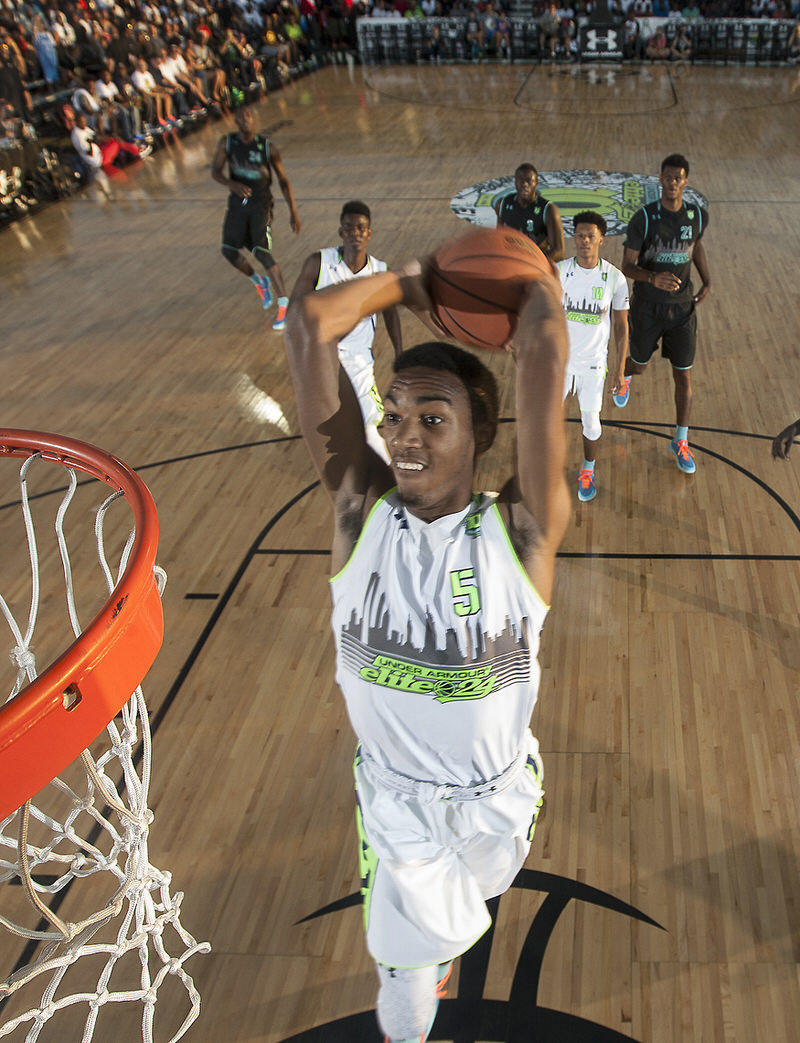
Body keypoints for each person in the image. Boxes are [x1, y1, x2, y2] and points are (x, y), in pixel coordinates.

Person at [284, 252, 570, 1043]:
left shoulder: (522, 531)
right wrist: (409, 278)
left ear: (481, 433)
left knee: (457, 915)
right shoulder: (358, 512)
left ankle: (436, 933)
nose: (405, 436)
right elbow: (309, 324)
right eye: (394, 415)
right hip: (397, 802)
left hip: (500, 801)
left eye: (433, 417)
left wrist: (528, 286)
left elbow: (545, 349)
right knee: (405, 976)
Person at [617, 153, 711, 475]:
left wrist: (707, 279)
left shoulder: (696, 216)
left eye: (678, 178)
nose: (672, 183)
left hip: (682, 309)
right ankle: (624, 372)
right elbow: (626, 265)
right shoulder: (643, 219)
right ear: (660, 178)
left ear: (685, 181)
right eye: (668, 177)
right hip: (647, 307)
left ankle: (680, 440)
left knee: (683, 374)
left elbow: (696, 245)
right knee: (640, 367)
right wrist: (650, 277)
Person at [291, 200, 403, 461]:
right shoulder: (318, 263)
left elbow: (391, 311)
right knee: (338, 431)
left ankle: (385, 486)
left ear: (369, 233)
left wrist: (400, 352)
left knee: (371, 431)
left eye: (361, 228)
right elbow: (295, 310)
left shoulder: (379, 271)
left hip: (359, 363)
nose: (355, 233)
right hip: (323, 362)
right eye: (349, 228)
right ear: (341, 232)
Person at [557, 211, 629, 503]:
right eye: (580, 235)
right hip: (560, 362)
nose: (585, 240)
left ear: (601, 238)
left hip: (593, 364)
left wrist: (620, 369)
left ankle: (587, 469)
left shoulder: (615, 278)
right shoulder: (558, 271)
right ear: (573, 238)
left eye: (590, 236)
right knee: (548, 419)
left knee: (592, 425)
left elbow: (622, 327)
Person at [211, 105, 301, 330]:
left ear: (253, 119)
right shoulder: (228, 143)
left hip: (261, 203)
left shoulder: (267, 147)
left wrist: (293, 212)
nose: (245, 119)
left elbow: (283, 180)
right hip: (237, 203)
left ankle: (283, 306)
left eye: (249, 115)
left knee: (261, 251)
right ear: (235, 120)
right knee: (228, 250)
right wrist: (231, 183)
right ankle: (259, 281)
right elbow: (215, 171)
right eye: (241, 116)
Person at [494, 162, 565, 261]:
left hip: (536, 264)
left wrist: (531, 262)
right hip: (511, 263)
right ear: (515, 183)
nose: (524, 184)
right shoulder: (502, 204)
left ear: (536, 183)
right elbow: (499, 240)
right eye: (520, 181)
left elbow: (559, 252)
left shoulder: (548, 210)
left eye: (529, 181)